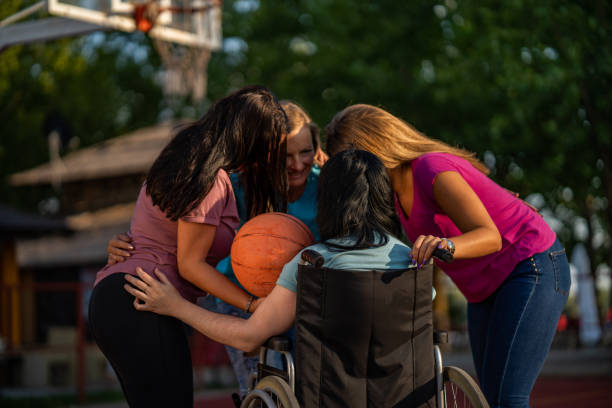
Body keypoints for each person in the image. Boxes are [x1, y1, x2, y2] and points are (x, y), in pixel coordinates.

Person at [325, 104, 571, 408]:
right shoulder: (394, 195)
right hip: (484, 290)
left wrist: (447, 245)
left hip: (530, 266)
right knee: (490, 397)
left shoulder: (431, 169)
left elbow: (490, 237)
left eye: (352, 162)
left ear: (375, 149)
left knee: (508, 398)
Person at [122, 150, 417, 400]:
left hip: (331, 397)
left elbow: (249, 339)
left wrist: (176, 306)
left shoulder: (313, 264)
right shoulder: (410, 260)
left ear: (328, 201)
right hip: (404, 393)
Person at [106, 100, 327, 398]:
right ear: (266, 155)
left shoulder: (327, 185)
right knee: (260, 386)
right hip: (239, 293)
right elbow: (177, 224)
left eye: (305, 152)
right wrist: (132, 242)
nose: (298, 164)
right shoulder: (234, 184)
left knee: (311, 387)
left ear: (317, 149)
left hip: (303, 299)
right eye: (286, 155)